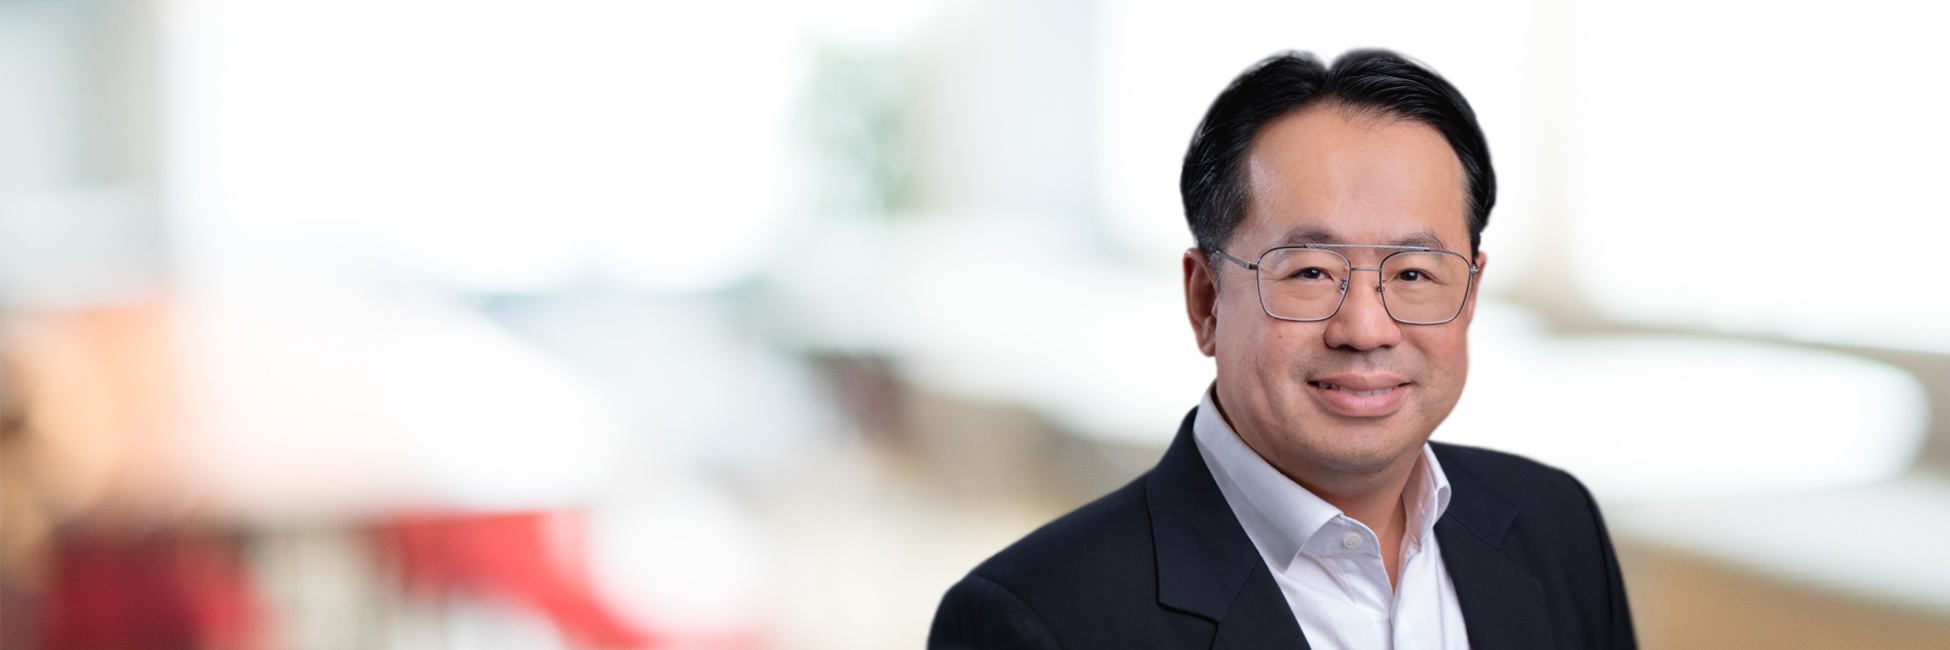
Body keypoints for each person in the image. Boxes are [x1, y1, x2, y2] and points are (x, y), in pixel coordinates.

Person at [928, 50, 1636, 649]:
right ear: (1206, 300)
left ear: (1471, 295)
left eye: (1415, 274)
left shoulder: (1555, 524)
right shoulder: (1034, 620)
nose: (1366, 329)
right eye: (1310, 273)